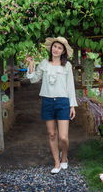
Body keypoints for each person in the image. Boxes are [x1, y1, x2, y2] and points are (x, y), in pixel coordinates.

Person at [26, 37, 78, 174]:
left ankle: (64, 157)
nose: (56, 49)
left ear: (63, 51)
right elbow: (34, 79)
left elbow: (70, 86)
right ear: (51, 48)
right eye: (55, 46)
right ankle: (56, 162)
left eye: (60, 48)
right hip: (47, 101)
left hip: (63, 102)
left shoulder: (67, 66)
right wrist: (31, 64)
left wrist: (72, 106)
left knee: (63, 137)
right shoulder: (44, 63)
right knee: (52, 134)